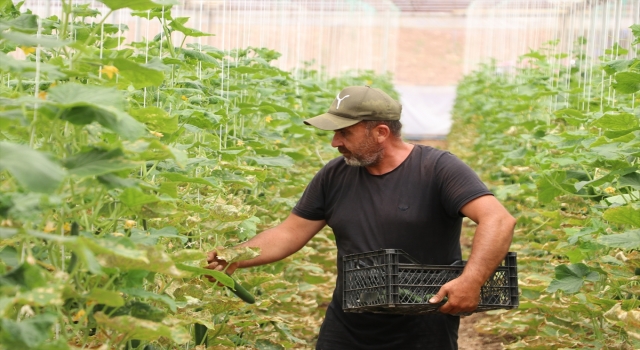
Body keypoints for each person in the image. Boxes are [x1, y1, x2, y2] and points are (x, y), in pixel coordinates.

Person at [205, 85, 516, 349]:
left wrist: (471, 281)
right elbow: (289, 233)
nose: (335, 142)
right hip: (347, 324)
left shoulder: (437, 169)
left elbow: (498, 220)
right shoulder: (334, 175)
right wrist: (234, 257)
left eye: (344, 132)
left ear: (380, 132)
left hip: (423, 327)